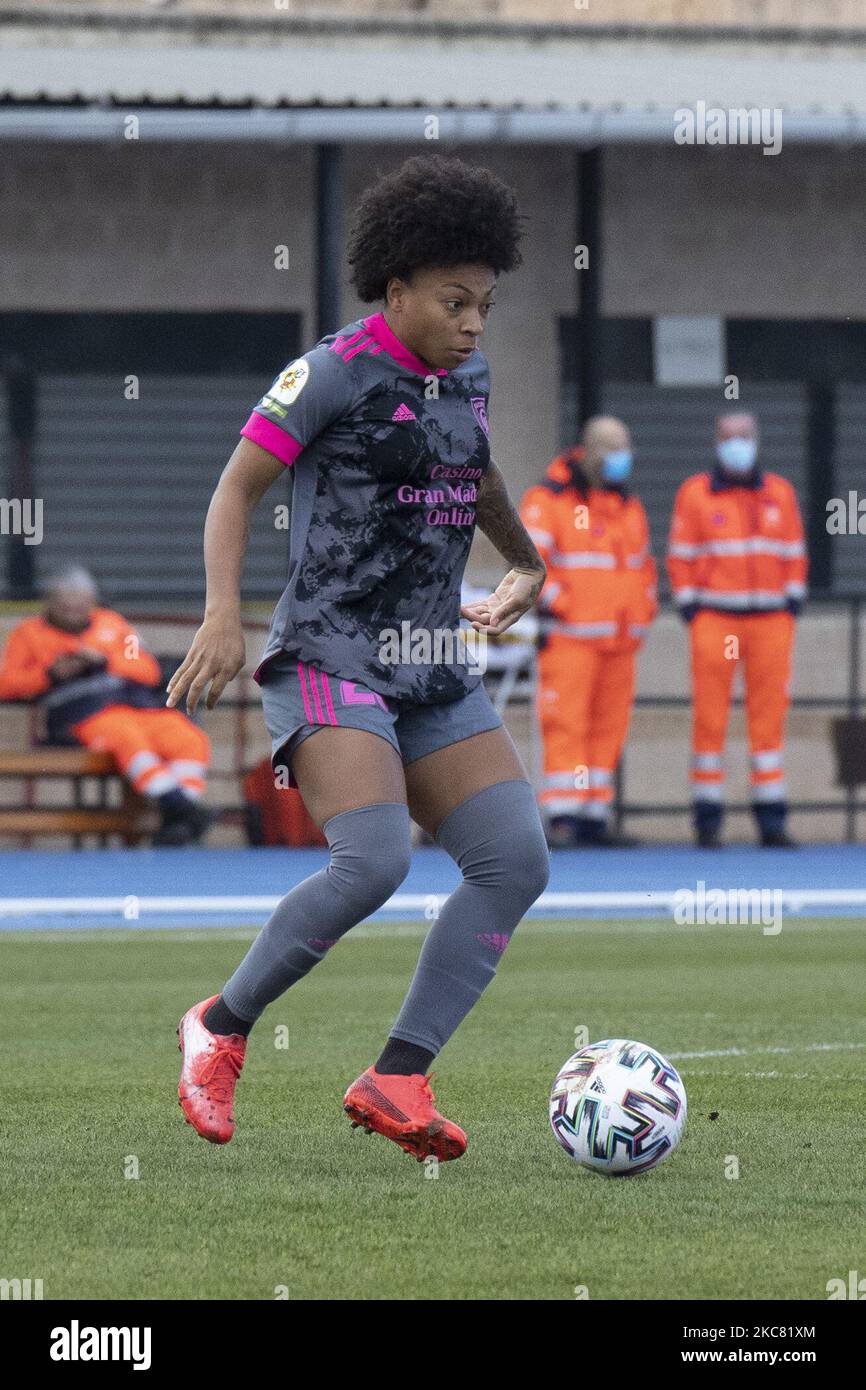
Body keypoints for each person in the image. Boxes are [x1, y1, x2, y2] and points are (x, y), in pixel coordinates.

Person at [168, 155, 550, 1162]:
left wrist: (524, 557)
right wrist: (220, 614)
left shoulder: (462, 370)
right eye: (453, 301)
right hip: (331, 650)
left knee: (514, 858)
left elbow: (471, 460)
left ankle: (397, 1073)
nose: (473, 323)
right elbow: (234, 489)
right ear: (396, 291)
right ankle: (221, 1025)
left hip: (429, 657)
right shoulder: (332, 369)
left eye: (484, 304)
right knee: (374, 857)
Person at [667, 411, 808, 848]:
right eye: (729, 436)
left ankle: (771, 818)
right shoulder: (695, 494)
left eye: (745, 435)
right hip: (716, 619)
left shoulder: (779, 493)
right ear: (716, 441)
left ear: (757, 439)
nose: (738, 443)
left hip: (770, 621)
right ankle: (707, 819)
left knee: (769, 719)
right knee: (710, 716)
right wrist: (690, 606)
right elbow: (681, 554)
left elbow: (794, 552)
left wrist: (792, 600)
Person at [0, 566, 212, 845]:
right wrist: (51, 673)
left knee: (187, 737)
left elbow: (147, 669)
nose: (74, 614)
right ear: (50, 603)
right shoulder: (28, 633)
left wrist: (104, 660)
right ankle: (179, 808)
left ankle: (179, 815)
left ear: (92, 603)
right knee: (128, 738)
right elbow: (6, 683)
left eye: (81, 607)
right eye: (66, 608)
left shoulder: (113, 624)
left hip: (136, 707)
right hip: (78, 715)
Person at [520, 417, 657, 847]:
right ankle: (563, 814)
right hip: (569, 639)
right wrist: (566, 606)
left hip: (619, 641)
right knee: (566, 725)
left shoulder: (627, 505)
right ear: (591, 451)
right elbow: (528, 562)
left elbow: (643, 567)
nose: (623, 458)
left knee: (608, 729)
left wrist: (643, 612)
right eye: (615, 449)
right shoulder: (549, 500)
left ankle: (595, 813)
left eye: (626, 447)